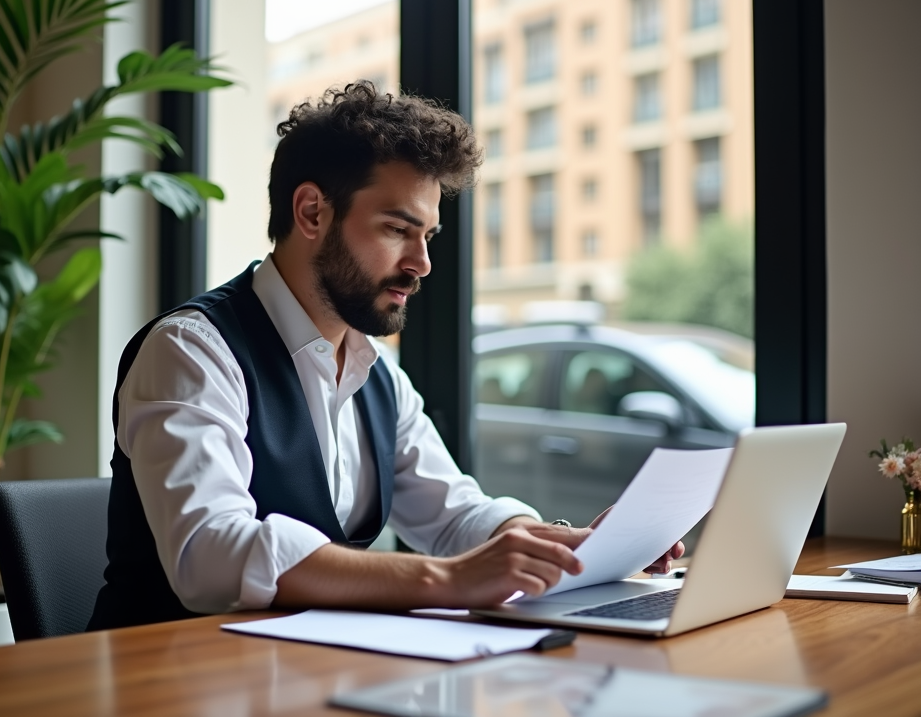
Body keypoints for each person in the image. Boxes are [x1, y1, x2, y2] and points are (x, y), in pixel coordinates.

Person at [88, 81, 682, 631]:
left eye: (428, 237)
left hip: (299, 673)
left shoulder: (377, 375)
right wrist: (445, 579)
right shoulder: (193, 351)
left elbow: (452, 514)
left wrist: (561, 548)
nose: (421, 263)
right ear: (313, 212)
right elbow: (209, 556)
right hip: (166, 678)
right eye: (398, 229)